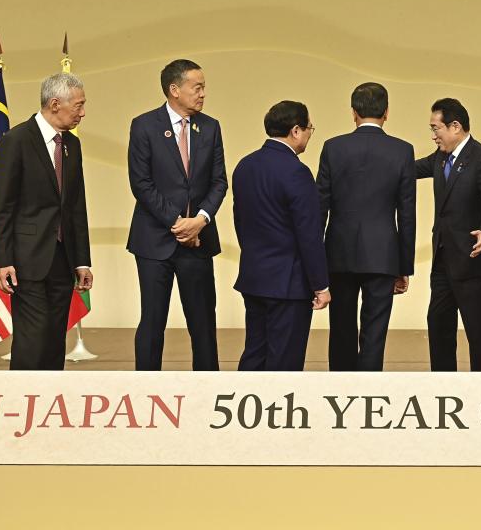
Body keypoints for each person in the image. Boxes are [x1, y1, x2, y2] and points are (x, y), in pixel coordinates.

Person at [127, 59, 227, 370]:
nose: (202, 94)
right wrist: (178, 223)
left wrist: (200, 221)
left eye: (203, 88)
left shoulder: (210, 127)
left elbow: (219, 181)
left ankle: (209, 390)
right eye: (197, 88)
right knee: (152, 322)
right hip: (154, 242)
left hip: (198, 242)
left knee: (203, 323)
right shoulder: (144, 126)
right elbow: (141, 184)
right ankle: (146, 390)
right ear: (174, 90)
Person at [0, 72, 93, 370]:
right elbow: (2, 207)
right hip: (26, 259)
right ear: (55, 103)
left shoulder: (72, 146)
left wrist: (82, 260)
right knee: (31, 339)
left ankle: (48, 403)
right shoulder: (16, 140)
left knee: (53, 340)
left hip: (62, 259)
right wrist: (3, 259)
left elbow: (76, 207)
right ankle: (22, 406)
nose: (82, 112)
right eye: (79, 105)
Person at [317, 83, 416, 371]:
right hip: (383, 255)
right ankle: (369, 390)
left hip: (338, 252)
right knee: (374, 333)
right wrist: (404, 266)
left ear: (353, 112)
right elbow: (406, 214)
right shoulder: (402, 150)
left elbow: (319, 208)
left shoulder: (333, 147)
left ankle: (341, 389)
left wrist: (316, 261)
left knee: (341, 329)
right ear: (386, 112)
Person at [233, 101, 330, 370]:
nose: (310, 134)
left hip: (253, 276)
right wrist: (320, 285)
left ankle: (244, 408)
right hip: (288, 284)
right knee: (284, 362)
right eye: (309, 128)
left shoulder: (245, 166)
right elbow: (309, 234)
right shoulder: (297, 172)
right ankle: (276, 412)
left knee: (254, 352)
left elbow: (240, 221)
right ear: (296, 130)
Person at [415, 98, 481, 371]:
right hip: (443, 260)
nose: (433, 136)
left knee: (478, 333)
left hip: (472, 260)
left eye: (436, 128)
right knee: (438, 325)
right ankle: (443, 387)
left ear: (455, 126)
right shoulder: (440, 157)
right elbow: (408, 168)